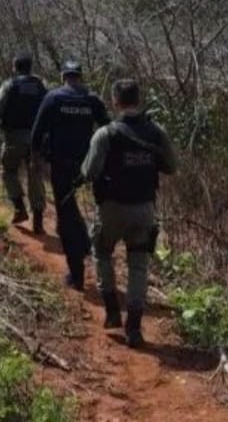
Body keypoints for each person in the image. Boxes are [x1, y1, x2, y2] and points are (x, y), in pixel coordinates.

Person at [80, 79, 177, 347]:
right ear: (138, 99)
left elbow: (88, 172)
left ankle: (112, 311)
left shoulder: (105, 134)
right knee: (138, 265)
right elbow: (172, 166)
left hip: (110, 207)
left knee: (101, 252)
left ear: (115, 101)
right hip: (144, 208)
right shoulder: (156, 132)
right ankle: (134, 327)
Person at [30, 60, 109, 290]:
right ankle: (86, 244)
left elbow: (37, 133)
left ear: (64, 76)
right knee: (83, 212)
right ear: (80, 76)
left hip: (61, 166)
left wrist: (36, 162)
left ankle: (77, 275)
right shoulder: (92, 100)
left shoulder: (53, 98)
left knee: (66, 216)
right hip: (88, 167)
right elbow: (108, 129)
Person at [0, 54, 48, 232]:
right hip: (37, 139)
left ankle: (19, 208)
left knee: (8, 171)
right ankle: (38, 222)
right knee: (36, 176)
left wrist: (5, 122)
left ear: (15, 67)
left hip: (14, 137)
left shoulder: (10, 85)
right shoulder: (41, 86)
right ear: (31, 67)